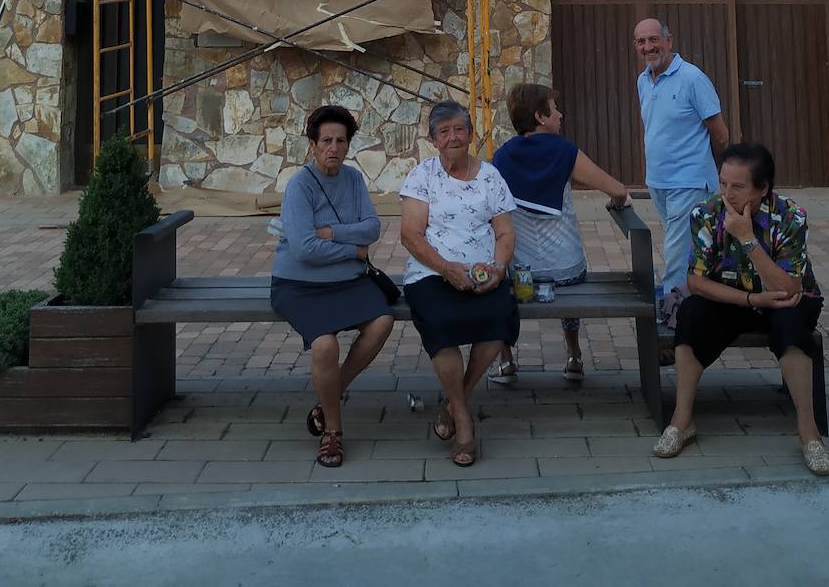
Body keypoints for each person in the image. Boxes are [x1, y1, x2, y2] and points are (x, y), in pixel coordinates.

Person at [653, 141, 829, 477]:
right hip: (734, 297)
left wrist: (748, 239)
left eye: (738, 187)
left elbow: (789, 288)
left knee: (791, 324)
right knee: (691, 314)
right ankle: (681, 420)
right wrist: (751, 300)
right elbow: (696, 282)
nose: (727, 194)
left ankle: (809, 433)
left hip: (787, 298)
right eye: (723, 183)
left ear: (763, 188)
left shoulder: (790, 216)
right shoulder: (706, 213)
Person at [270, 104, 394, 468]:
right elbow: (304, 249)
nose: (334, 148)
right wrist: (353, 250)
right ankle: (333, 433)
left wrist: (331, 232)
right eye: (326, 140)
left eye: (341, 141)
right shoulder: (300, 186)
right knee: (325, 344)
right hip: (298, 283)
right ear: (312, 144)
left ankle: (331, 394)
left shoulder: (353, 179)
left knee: (383, 321)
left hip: (346, 281)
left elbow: (373, 228)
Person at [399, 101, 519, 467]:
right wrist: (446, 268)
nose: (453, 137)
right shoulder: (422, 176)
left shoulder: (490, 176)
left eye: (459, 129)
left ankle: (454, 402)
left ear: (469, 134)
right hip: (431, 273)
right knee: (442, 323)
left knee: (498, 318)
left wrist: (498, 268)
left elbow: (505, 233)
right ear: (434, 139)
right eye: (444, 131)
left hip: (483, 271)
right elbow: (410, 235)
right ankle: (464, 419)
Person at [490, 82, 632, 384]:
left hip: (520, 275)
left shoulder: (501, 158)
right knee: (569, 268)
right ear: (540, 116)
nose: (561, 114)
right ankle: (574, 354)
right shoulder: (566, 152)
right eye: (555, 109)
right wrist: (618, 202)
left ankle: (506, 360)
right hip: (568, 271)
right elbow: (618, 190)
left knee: (496, 277)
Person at [633, 18, 730, 321]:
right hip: (658, 182)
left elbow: (721, 134)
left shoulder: (692, 78)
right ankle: (703, 307)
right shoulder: (643, 80)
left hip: (690, 181)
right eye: (641, 41)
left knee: (675, 255)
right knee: (690, 249)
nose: (648, 47)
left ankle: (672, 322)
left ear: (669, 40)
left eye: (653, 39)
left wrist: (722, 176)